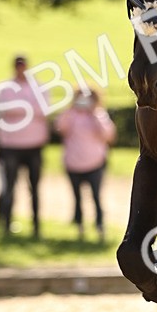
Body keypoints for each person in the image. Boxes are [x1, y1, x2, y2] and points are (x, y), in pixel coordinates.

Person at [0, 55, 50, 237]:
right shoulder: (6, 88)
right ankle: (6, 224)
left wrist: (20, 109)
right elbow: (3, 109)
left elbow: (44, 110)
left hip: (34, 145)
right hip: (11, 145)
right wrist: (28, 108)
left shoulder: (39, 87)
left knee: (34, 187)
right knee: (9, 186)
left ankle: (36, 226)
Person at [56, 88, 116, 241]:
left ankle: (99, 225)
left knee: (96, 196)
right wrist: (71, 109)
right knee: (77, 197)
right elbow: (60, 128)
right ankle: (79, 226)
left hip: (95, 162)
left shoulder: (99, 114)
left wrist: (94, 113)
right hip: (73, 162)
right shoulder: (71, 114)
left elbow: (108, 135)